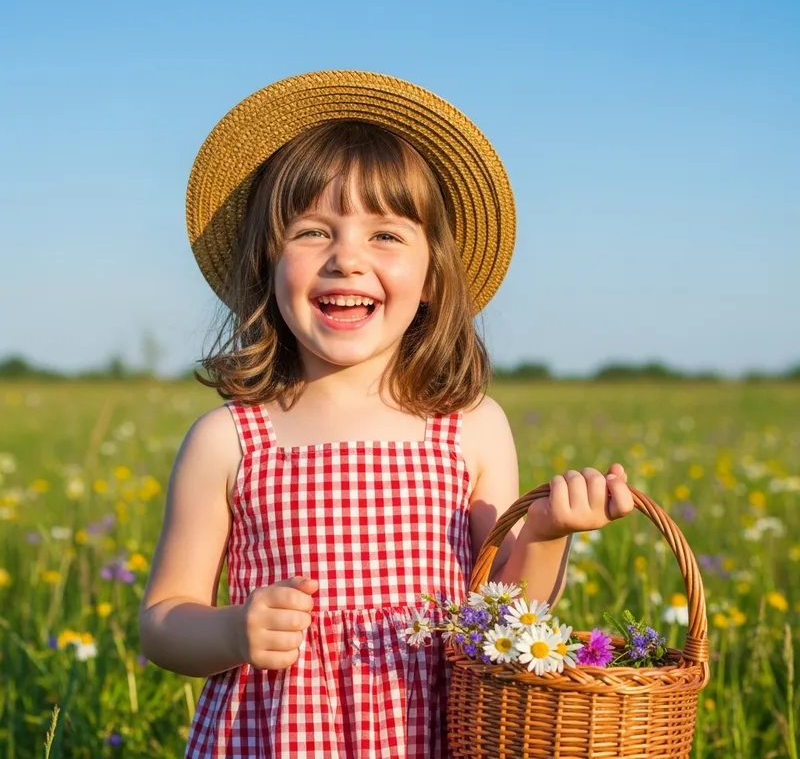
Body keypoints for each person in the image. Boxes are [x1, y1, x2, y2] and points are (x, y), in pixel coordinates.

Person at [138, 70, 634, 758]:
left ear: (431, 279)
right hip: (280, 738)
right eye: (312, 231)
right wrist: (231, 632)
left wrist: (546, 532)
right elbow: (162, 621)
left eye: (386, 236)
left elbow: (502, 627)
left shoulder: (470, 426)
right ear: (267, 264)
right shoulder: (229, 439)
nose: (346, 259)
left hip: (432, 732)